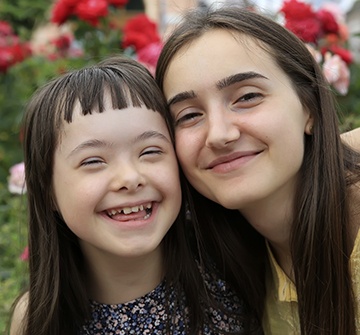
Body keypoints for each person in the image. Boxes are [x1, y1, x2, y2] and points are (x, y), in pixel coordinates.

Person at [9, 56, 260, 335]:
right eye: (93, 161)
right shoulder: (37, 318)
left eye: (150, 151)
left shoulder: (234, 266)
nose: (129, 178)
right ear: (47, 192)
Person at [155, 6, 360, 335]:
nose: (220, 135)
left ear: (309, 107)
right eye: (189, 115)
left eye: (247, 97)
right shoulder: (215, 266)